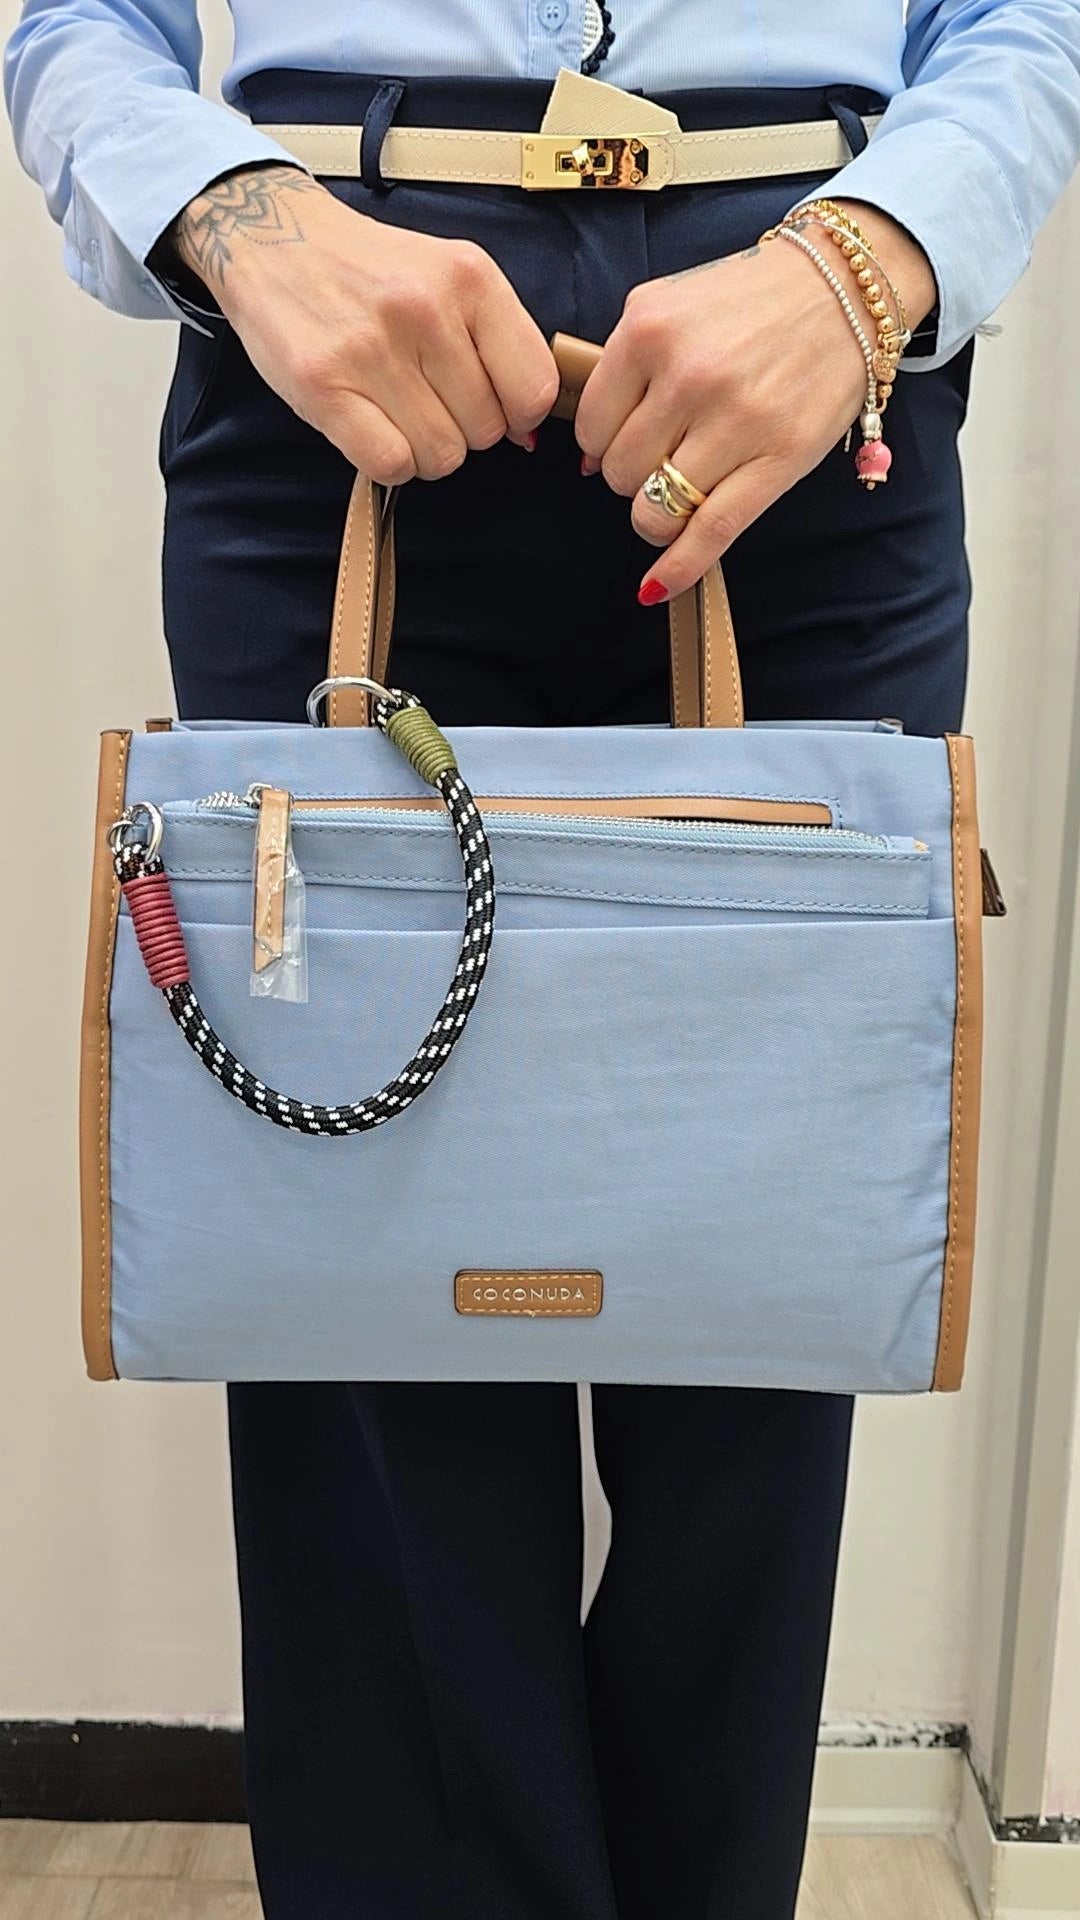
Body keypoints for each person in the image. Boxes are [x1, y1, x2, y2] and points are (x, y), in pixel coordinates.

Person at [7, 5, 1080, 1917]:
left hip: (815, 376)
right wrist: (236, 217)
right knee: (359, 1321)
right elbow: (77, 24)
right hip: (338, 361)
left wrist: (878, 251)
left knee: (761, 1323)